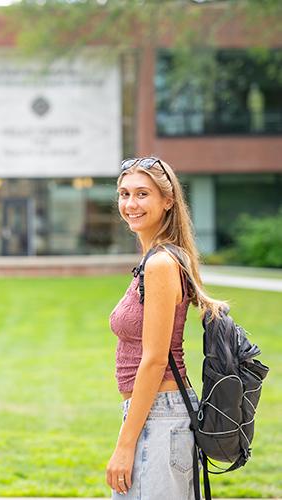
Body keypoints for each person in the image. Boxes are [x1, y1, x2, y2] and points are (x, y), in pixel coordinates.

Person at [106, 157, 225, 499]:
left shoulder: (161, 263)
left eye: (142, 194)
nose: (130, 204)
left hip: (160, 415)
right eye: (124, 193)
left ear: (167, 200)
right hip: (154, 413)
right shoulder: (156, 259)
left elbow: (155, 360)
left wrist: (125, 446)